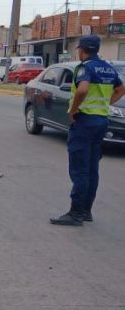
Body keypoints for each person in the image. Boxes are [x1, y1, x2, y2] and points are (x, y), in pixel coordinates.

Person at [50, 35, 125, 226]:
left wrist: (74, 109)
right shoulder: (108, 68)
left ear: (81, 50)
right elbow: (121, 88)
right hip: (101, 121)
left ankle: (76, 214)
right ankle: (86, 211)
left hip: (84, 122)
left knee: (80, 169)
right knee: (92, 168)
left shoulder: (84, 68)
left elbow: (82, 90)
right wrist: (105, 104)